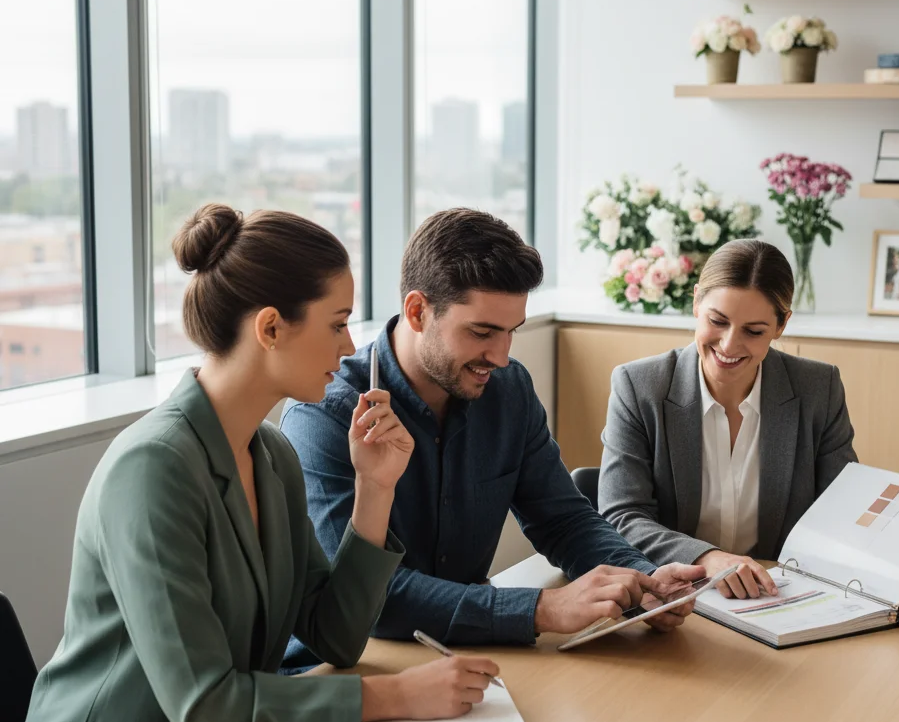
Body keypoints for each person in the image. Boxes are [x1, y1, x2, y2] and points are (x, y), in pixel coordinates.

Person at [2, 205, 499, 722]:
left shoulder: (271, 455)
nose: (349, 347)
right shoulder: (152, 469)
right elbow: (207, 705)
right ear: (270, 328)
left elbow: (336, 638)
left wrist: (376, 489)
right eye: (337, 323)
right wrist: (395, 696)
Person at [281, 208, 703, 663]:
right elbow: (371, 599)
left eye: (510, 332)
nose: (501, 357)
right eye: (482, 332)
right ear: (418, 311)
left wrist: (643, 580)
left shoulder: (508, 390)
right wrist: (541, 608)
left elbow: (561, 518)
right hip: (350, 668)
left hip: (466, 656)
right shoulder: (324, 414)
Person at [598, 239, 857, 601]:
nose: (730, 345)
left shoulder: (818, 388)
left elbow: (843, 508)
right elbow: (622, 516)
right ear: (695, 303)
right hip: (678, 601)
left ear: (781, 325)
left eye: (754, 331)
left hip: (777, 599)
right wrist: (708, 558)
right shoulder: (639, 387)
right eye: (717, 321)